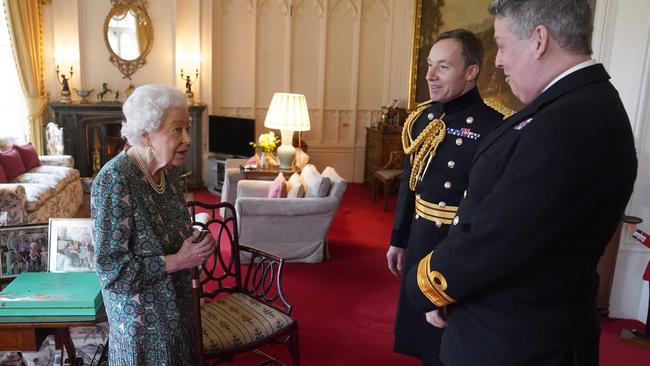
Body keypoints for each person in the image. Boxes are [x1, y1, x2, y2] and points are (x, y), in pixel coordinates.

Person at [405, 1, 638, 365]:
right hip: (514, 325)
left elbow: (498, 237)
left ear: (539, 40)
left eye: (503, 45)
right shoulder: (575, 105)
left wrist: (425, 287)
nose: (498, 61)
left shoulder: (568, 122)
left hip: (516, 342)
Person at [387, 29, 503, 365]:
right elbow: (411, 183)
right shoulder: (424, 117)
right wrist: (399, 238)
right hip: (422, 238)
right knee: (421, 334)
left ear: (471, 72)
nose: (430, 76)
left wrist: (455, 276)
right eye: (429, 65)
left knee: (448, 340)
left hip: (455, 246)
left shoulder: (492, 126)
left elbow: (482, 211)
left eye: (443, 67)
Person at [91, 84, 215, 365]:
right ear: (146, 134)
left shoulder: (167, 174)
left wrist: (199, 242)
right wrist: (180, 260)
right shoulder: (115, 180)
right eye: (177, 129)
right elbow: (112, 272)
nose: (187, 139)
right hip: (143, 332)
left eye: (188, 128)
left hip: (179, 313)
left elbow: (177, 236)